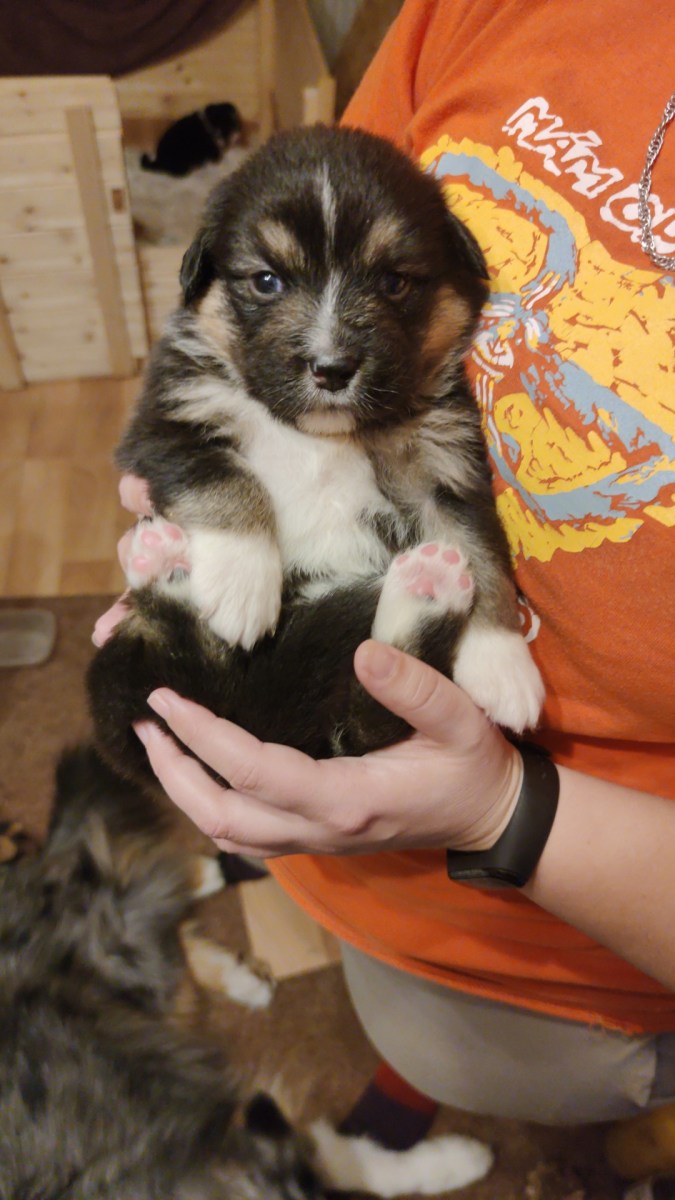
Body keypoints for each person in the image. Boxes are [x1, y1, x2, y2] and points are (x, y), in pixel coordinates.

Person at [96, 0, 675, 1189]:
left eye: (396, 290)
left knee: (438, 1038)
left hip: (569, 922)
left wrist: (503, 805)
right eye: (266, 283)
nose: (327, 346)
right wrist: (217, 523)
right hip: (334, 830)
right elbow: (332, 212)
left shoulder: (425, 413)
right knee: (142, 687)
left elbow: (452, 503)